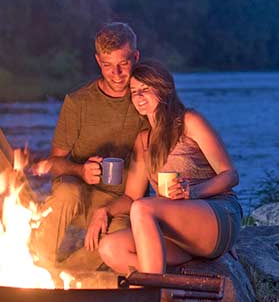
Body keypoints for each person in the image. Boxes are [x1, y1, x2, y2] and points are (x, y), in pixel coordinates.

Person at [99, 59, 242, 275]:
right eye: (134, 90)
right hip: (178, 234)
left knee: (143, 208)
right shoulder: (144, 141)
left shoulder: (188, 122)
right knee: (110, 247)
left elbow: (230, 175)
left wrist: (192, 192)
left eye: (145, 90)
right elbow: (131, 198)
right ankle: (179, 298)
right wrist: (104, 211)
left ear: (163, 90)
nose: (138, 97)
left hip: (215, 215)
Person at [29, 22, 147, 267]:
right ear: (97, 61)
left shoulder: (146, 101)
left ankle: (63, 278)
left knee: (115, 241)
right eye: (107, 65)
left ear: (135, 57)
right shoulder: (78, 102)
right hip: (80, 197)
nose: (116, 74)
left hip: (122, 203)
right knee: (65, 192)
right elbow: (53, 164)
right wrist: (80, 170)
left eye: (123, 64)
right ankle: (37, 265)